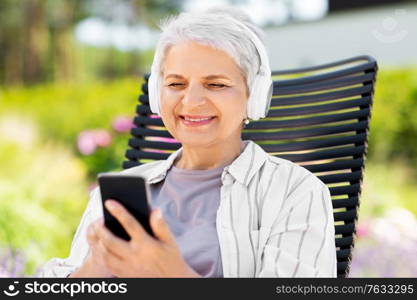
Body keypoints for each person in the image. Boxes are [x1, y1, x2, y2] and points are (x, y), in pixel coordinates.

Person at [39, 6, 337, 278]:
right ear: (158, 94)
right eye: (176, 84)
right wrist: (95, 270)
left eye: (216, 84)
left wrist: (172, 275)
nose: (191, 101)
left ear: (254, 96)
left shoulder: (295, 192)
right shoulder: (119, 190)